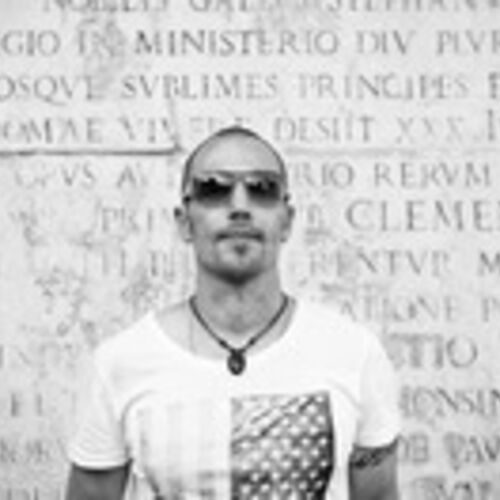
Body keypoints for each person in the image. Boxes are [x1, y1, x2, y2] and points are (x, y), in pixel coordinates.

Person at [65, 125, 400, 500]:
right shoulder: (120, 362)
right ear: (184, 221)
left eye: (262, 189)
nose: (240, 207)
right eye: (213, 188)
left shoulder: (354, 354)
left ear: (287, 220)